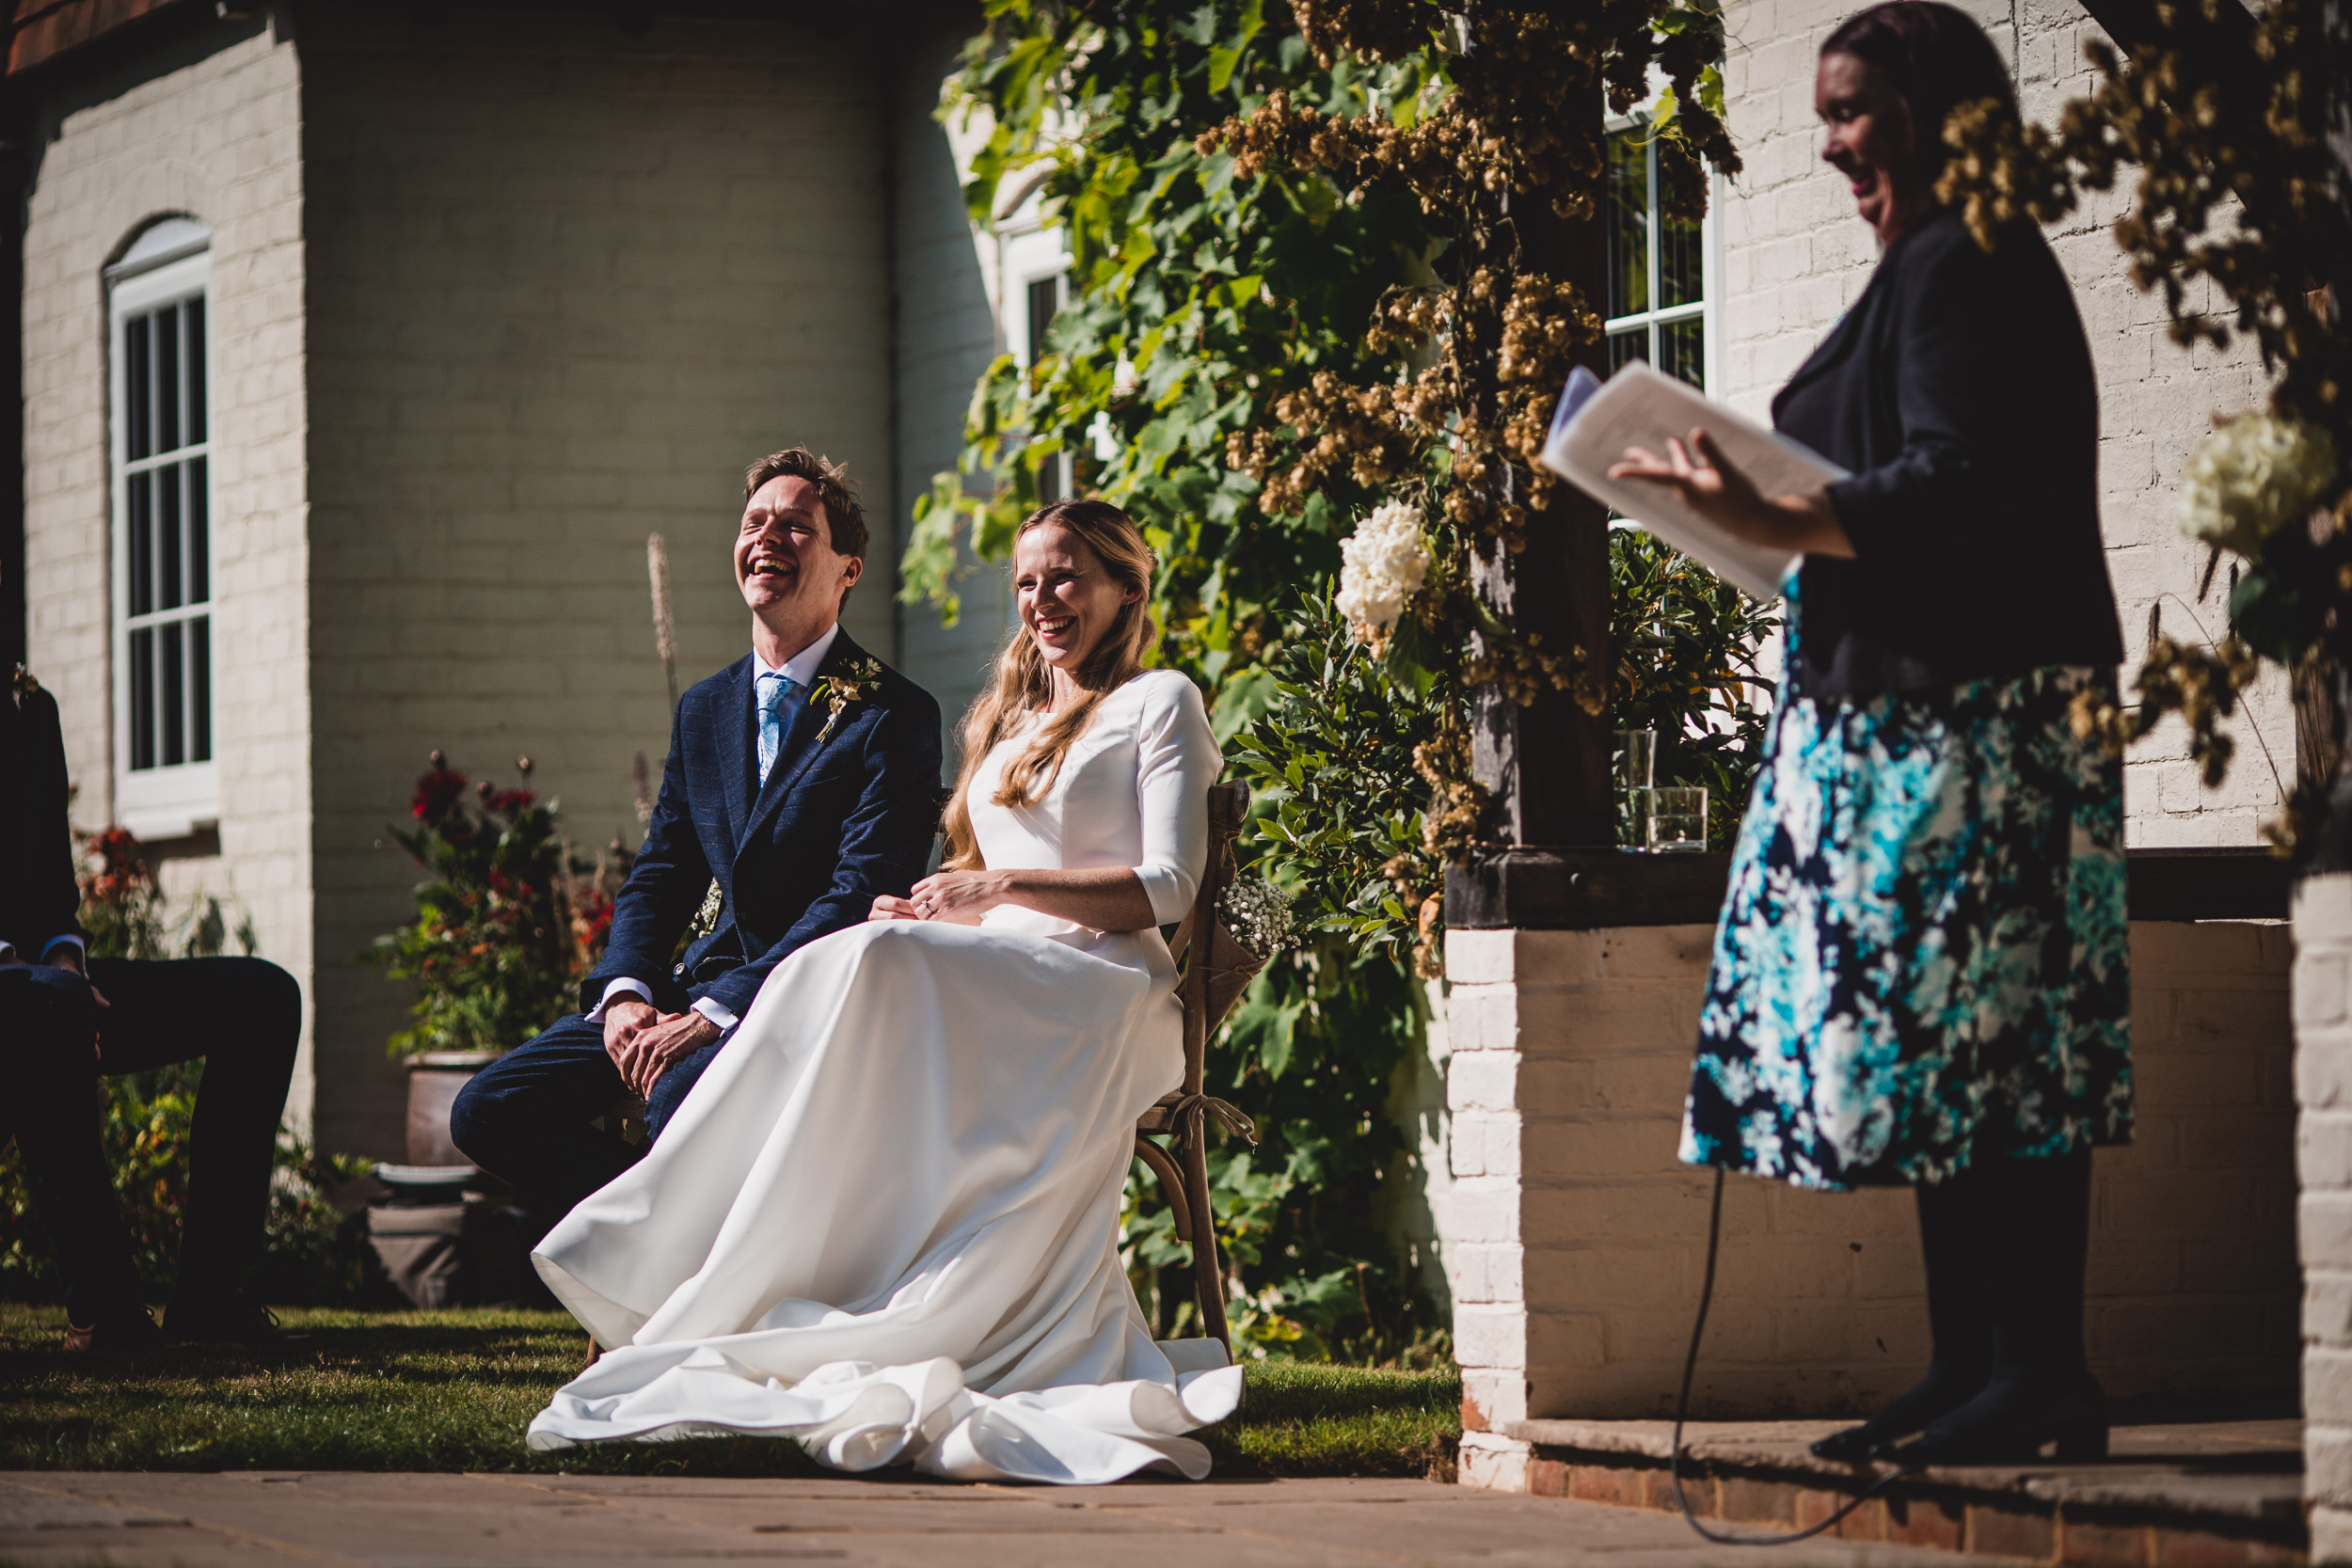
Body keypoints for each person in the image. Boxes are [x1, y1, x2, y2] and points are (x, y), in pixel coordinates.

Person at [1608, 0, 2129, 1465]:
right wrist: (1759, 519)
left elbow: (1954, 486)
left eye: (1853, 110)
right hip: (1916, 718)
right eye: (1824, 115)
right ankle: (1975, 1364)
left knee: (2001, 1043)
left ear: (1937, 108)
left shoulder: (1969, 265)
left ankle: (2039, 1370)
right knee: (1936, 1047)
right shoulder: (1927, 268)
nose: (1833, 143)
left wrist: (1766, 512)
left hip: (1980, 721)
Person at [521, 499, 1240, 1482]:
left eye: (1067, 576)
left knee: (867, 960)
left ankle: (721, 1256)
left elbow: (1167, 891)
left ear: (1125, 586)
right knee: (848, 949)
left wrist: (994, 885)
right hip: (1005, 970)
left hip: (1103, 987)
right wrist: (938, 908)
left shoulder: (1160, 699)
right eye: (1027, 581)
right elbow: (990, 901)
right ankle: (731, 1259)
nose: (1043, 600)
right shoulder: (1017, 713)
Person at [451, 449, 943, 1238]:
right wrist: (626, 992)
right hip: (683, 992)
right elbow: (661, 873)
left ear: (848, 569)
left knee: (682, 1097)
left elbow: (861, 891)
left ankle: (678, 1268)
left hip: (799, 1001)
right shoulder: (704, 708)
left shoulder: (894, 714)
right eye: (754, 522)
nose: (766, 537)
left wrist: (718, 1012)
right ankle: (672, 1248)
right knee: (488, 1110)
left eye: (795, 526)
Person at [1, 665, 301, 1350]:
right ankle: (103, 1312)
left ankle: (209, 1296)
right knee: (46, 1010)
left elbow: (50, 882)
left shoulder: (29, 705)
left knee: (262, 997)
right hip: (21, 999)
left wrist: (64, 961)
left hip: (42, 985)